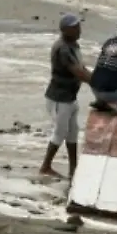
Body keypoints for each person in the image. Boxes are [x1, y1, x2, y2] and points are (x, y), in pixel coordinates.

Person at [41, 14, 94, 180]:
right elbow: (78, 72)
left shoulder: (73, 45)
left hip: (69, 97)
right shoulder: (63, 48)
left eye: (79, 26)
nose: (79, 30)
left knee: (73, 132)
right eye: (74, 27)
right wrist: (99, 83)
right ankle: (45, 167)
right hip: (59, 98)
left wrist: (96, 79)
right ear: (64, 30)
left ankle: (73, 169)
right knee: (60, 132)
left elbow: (82, 68)